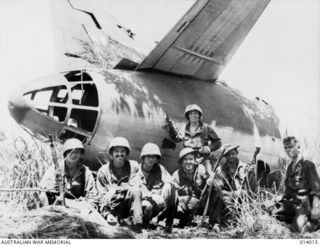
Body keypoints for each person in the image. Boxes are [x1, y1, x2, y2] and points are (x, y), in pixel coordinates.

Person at [273, 136, 320, 233]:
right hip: (294, 203)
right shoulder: (290, 166)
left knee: (297, 229)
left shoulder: (307, 164)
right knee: (272, 212)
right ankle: (297, 218)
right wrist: (282, 196)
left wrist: (315, 208)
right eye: (285, 147)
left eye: (290, 147)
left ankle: (316, 222)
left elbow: (316, 189)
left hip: (306, 204)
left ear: (298, 147)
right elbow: (288, 190)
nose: (287, 150)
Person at [96, 137, 143, 232]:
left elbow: (135, 186)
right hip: (112, 207)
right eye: (116, 151)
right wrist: (107, 215)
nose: (120, 154)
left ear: (127, 154)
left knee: (136, 191)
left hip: (128, 206)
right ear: (111, 154)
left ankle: (137, 226)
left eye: (123, 151)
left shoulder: (134, 166)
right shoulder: (103, 171)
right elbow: (101, 197)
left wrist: (115, 189)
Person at [164, 104, 221, 177]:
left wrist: (209, 148)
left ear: (199, 115)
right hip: (188, 159)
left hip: (202, 159)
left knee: (208, 178)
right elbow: (177, 138)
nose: (193, 116)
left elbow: (218, 142)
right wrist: (170, 126)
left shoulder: (206, 128)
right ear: (188, 116)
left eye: (195, 113)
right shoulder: (185, 128)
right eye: (191, 114)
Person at [39, 138, 97, 207]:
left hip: (78, 206)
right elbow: (44, 188)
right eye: (71, 152)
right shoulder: (56, 168)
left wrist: (85, 205)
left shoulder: (85, 171)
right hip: (57, 204)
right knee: (42, 196)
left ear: (80, 154)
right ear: (65, 153)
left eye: (77, 152)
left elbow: (92, 195)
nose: (74, 155)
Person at [134, 143, 176, 233]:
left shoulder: (159, 169)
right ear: (143, 157)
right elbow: (134, 190)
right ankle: (143, 225)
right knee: (147, 205)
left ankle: (167, 223)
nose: (151, 159)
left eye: (154, 157)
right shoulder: (136, 170)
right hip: (142, 206)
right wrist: (151, 196)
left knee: (171, 189)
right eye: (148, 156)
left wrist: (166, 188)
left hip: (157, 205)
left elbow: (172, 181)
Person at [209, 144, 254, 228]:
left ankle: (236, 220)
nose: (231, 156)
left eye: (233, 153)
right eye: (228, 154)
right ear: (225, 156)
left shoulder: (245, 168)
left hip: (241, 197)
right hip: (225, 197)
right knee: (216, 194)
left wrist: (234, 194)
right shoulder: (220, 170)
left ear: (237, 153)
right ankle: (215, 222)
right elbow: (219, 187)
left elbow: (248, 190)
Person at [172, 147, 210, 228]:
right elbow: (173, 195)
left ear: (194, 160)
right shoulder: (176, 175)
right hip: (184, 206)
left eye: (191, 159)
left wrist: (210, 180)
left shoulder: (200, 169)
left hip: (201, 204)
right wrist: (180, 203)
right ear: (181, 162)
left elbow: (210, 184)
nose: (188, 162)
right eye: (185, 159)